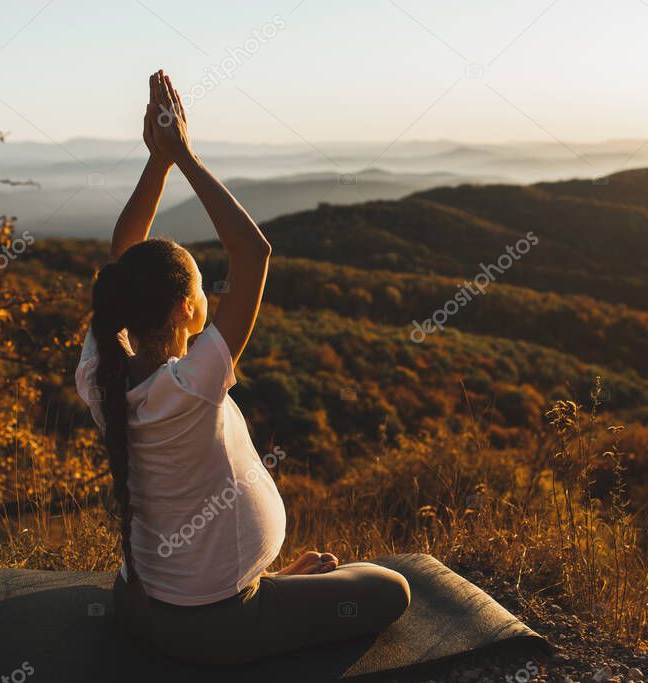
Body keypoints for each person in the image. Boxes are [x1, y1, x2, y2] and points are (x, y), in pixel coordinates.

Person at [74, 70, 409, 665]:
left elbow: (125, 257)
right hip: (215, 624)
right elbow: (254, 252)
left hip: (139, 602)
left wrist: (157, 164)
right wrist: (182, 154)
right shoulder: (190, 384)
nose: (210, 295)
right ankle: (283, 590)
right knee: (391, 592)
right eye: (203, 287)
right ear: (185, 308)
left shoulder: (102, 373)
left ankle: (283, 584)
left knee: (334, 586)